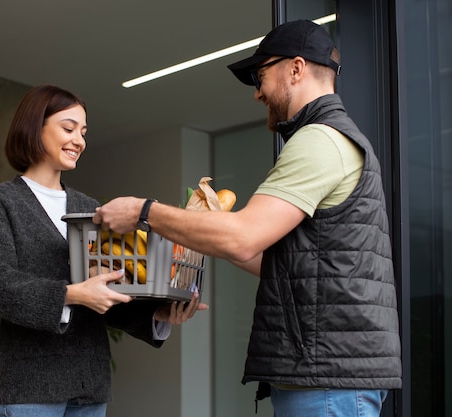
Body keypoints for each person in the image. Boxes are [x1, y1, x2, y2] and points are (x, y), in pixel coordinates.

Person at [92, 20, 401, 417]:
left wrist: (143, 211)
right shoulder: (333, 138)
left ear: (296, 68)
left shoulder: (319, 139)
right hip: (325, 376)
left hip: (325, 381)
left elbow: (243, 237)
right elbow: (280, 264)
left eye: (260, 76)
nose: (257, 93)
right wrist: (213, 234)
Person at [0, 84, 207, 417]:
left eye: (83, 132)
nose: (79, 140)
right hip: (32, 384)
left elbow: (106, 291)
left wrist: (157, 315)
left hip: (89, 383)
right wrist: (73, 294)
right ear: (34, 126)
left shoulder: (91, 208)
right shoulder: (2, 202)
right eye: (68, 128)